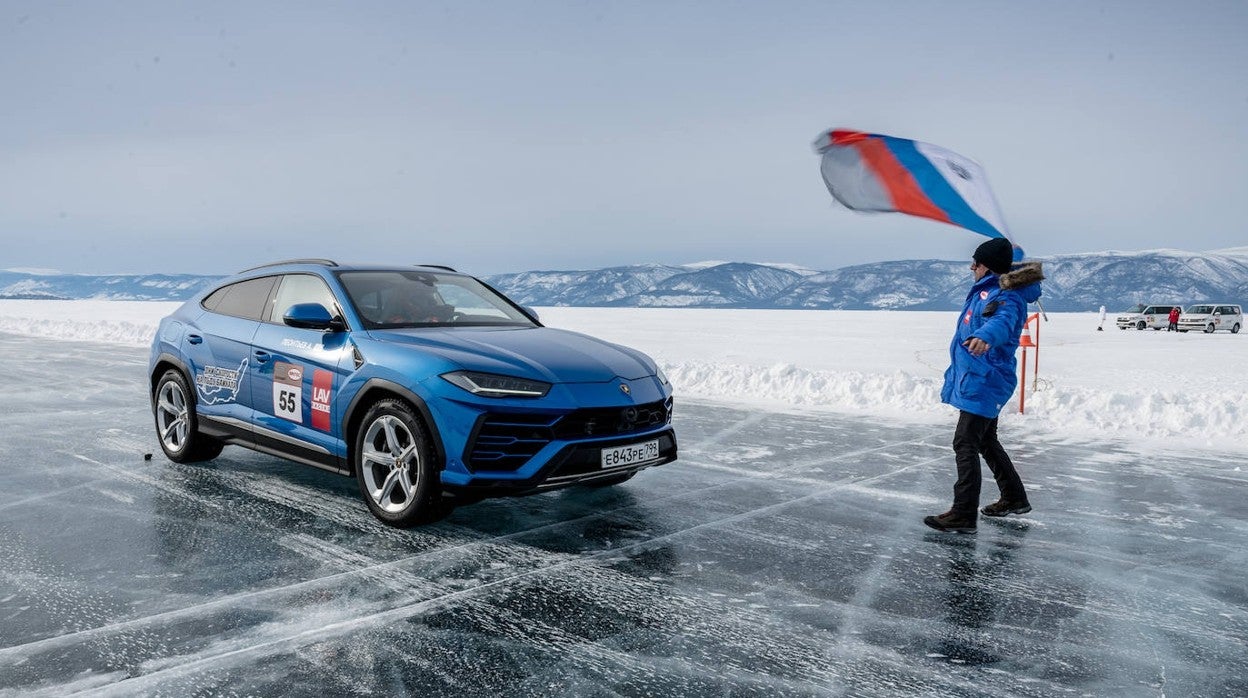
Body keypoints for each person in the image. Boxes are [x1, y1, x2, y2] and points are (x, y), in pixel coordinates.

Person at [925, 237, 1044, 533]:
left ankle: (963, 513)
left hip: (986, 379)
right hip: (978, 377)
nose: (971, 267)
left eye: (975, 263)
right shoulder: (988, 290)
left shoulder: (1004, 296)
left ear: (985, 266)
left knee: (965, 441)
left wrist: (987, 336)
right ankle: (1014, 497)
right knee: (985, 440)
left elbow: (1002, 321)